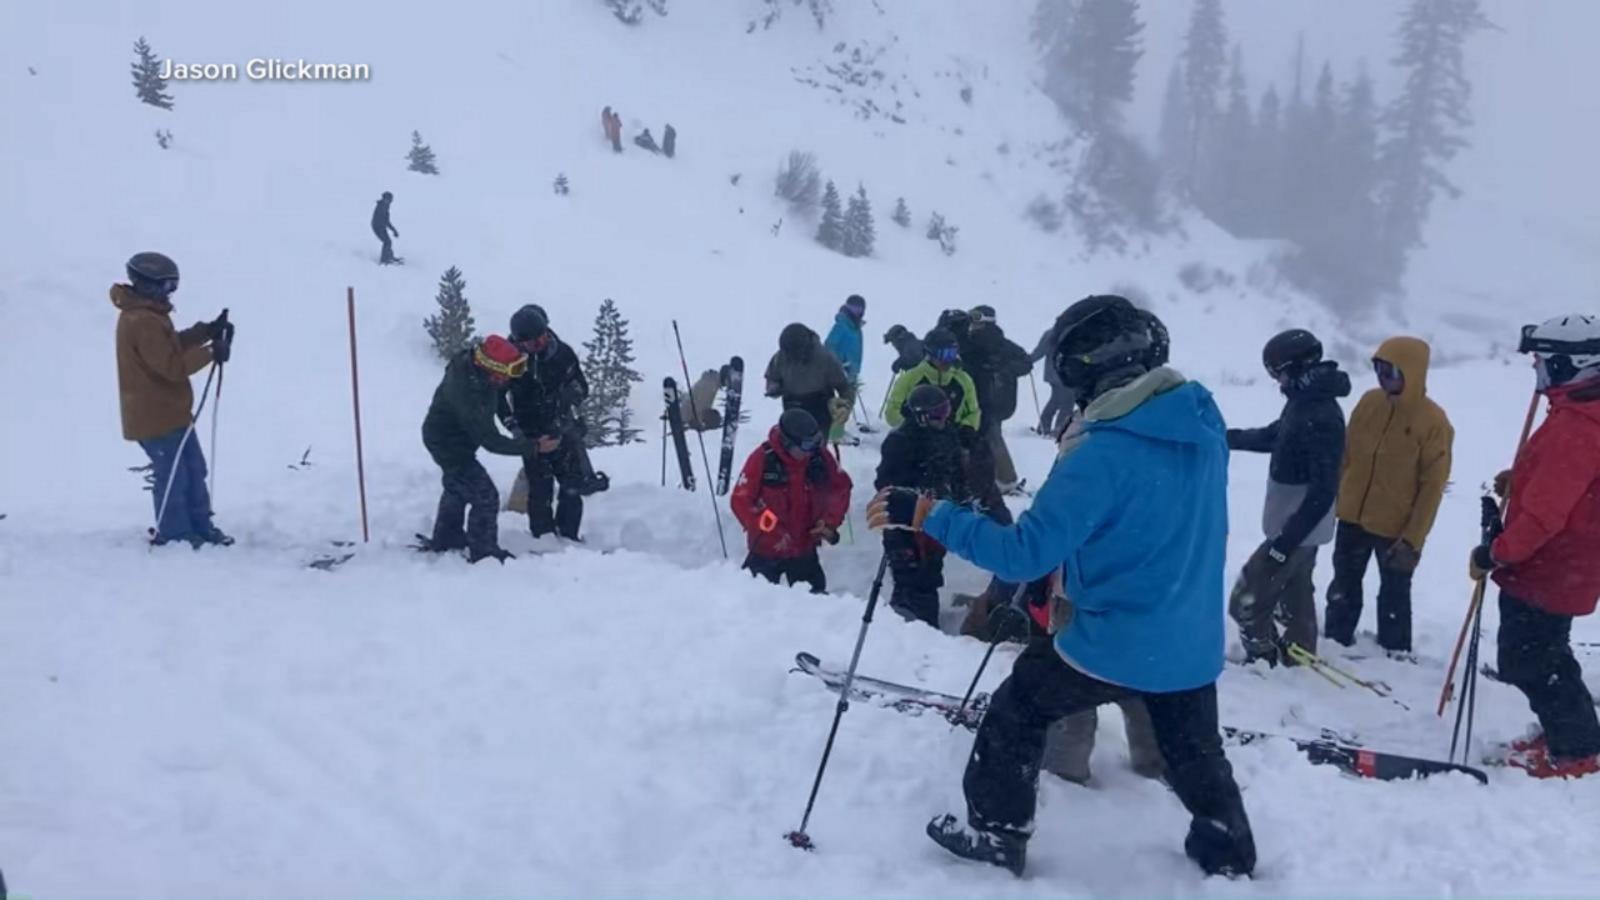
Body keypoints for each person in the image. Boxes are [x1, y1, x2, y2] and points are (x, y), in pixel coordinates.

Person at [867, 294, 1254, 879]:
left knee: (1017, 710)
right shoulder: (1201, 425)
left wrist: (928, 514)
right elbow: (1148, 523)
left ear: (1086, 367)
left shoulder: (1102, 455)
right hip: (1189, 638)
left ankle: (996, 832)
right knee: (1196, 749)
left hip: (1115, 638)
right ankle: (1229, 849)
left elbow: (1022, 555)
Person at [1471, 313, 1600, 779]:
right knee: (1547, 654)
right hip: (1565, 564)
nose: (1537, 372)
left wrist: (1498, 553)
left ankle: (1576, 750)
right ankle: (1570, 734)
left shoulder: (1576, 427)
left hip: (1549, 566)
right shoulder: (1579, 414)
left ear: (1572, 365)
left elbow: (1546, 515)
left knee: (1529, 661)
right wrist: (1522, 480)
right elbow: (1568, 486)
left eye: (1544, 362)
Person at [1226, 329, 1350, 666]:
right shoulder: (1304, 402)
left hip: (1297, 528)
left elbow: (1325, 488)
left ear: (1296, 369)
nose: (1276, 381)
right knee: (1296, 597)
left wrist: (1286, 543)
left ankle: (1264, 659)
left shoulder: (1321, 414)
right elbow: (1276, 436)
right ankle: (1299, 657)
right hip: (1296, 525)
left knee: (1246, 600)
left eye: (1277, 372)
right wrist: (1226, 438)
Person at [1325, 337, 1453, 654]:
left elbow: (1432, 488)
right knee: (1343, 586)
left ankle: (1395, 655)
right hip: (1353, 515)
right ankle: (1335, 643)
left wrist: (1413, 539)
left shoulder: (1433, 422)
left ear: (1413, 373)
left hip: (1396, 528)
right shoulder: (1369, 403)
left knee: (1394, 595)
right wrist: (1334, 498)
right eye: (1380, 370)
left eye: (1392, 372)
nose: (1384, 379)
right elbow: (1346, 454)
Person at [112, 251, 234, 548]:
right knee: (174, 476)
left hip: (173, 413)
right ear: (147, 285)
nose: (170, 294)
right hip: (154, 417)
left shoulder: (150, 316)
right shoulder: (140, 320)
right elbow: (171, 366)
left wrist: (205, 332)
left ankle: (200, 525)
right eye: (166, 287)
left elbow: (172, 346)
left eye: (173, 286)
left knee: (194, 469)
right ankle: (176, 533)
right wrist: (210, 352)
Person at [421, 335, 539, 563]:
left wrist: (512, 423)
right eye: (511, 370)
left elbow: (498, 399)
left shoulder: (481, 375)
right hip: (447, 443)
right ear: (493, 368)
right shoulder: (468, 393)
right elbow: (490, 441)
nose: (513, 376)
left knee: (457, 486)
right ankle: (484, 551)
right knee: (485, 496)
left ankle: (447, 536)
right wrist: (530, 447)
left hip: (457, 439)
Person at [502, 305, 603, 541]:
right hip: (531, 433)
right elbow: (499, 399)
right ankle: (543, 538)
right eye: (534, 342)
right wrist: (515, 429)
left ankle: (569, 537)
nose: (542, 344)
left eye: (544, 337)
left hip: (562, 426)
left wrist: (570, 396)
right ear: (519, 342)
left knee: (572, 486)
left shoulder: (562, 353)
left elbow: (582, 385)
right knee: (539, 489)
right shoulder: (510, 361)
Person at [875, 384, 969, 627]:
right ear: (921, 416)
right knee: (908, 575)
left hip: (935, 516)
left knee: (930, 573)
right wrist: (911, 495)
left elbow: (957, 471)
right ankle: (909, 626)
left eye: (946, 411)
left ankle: (923, 626)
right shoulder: (900, 441)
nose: (943, 418)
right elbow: (885, 483)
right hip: (904, 522)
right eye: (938, 414)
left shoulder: (947, 434)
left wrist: (961, 497)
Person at [729, 409, 852, 593]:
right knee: (753, 599)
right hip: (766, 549)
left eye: (815, 443)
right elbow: (741, 500)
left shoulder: (820, 458)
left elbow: (841, 489)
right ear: (787, 443)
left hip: (804, 547)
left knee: (816, 598)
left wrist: (828, 521)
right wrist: (768, 529)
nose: (809, 451)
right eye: (804, 446)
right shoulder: (763, 459)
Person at [965, 305, 1033, 493]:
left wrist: (1001, 368)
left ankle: (1006, 480)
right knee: (983, 437)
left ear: (987, 321)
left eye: (976, 319)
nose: (972, 324)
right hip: (979, 396)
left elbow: (1026, 364)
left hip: (994, 398)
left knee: (991, 435)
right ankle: (990, 477)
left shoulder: (1000, 344)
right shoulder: (969, 340)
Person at [764, 323, 854, 444]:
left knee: (815, 453)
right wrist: (774, 387)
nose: (789, 357)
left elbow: (845, 387)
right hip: (792, 410)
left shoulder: (824, 359)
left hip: (819, 411)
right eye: (786, 353)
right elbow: (772, 377)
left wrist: (845, 407)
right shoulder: (781, 357)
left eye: (793, 354)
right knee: (791, 451)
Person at [824, 294, 867, 441]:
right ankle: (834, 434)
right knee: (842, 403)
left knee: (849, 400)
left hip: (851, 371)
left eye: (860, 309)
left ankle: (838, 431)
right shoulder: (841, 325)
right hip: (840, 370)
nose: (857, 312)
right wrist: (838, 365)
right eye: (853, 308)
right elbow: (829, 345)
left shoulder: (856, 328)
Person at [1030, 323, 1071, 435]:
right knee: (1065, 401)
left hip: (1055, 374)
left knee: (1057, 400)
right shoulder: (1068, 333)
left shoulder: (1051, 333)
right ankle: (1059, 428)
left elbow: (1040, 351)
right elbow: (1040, 351)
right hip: (1064, 375)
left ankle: (1046, 427)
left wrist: (1028, 360)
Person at [372, 191, 399, 264]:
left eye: (390, 200)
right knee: (387, 242)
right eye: (388, 199)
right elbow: (382, 221)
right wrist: (393, 230)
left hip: (381, 226)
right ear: (384, 199)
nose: (390, 201)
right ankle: (384, 259)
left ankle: (389, 256)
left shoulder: (386, 206)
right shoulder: (381, 207)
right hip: (377, 227)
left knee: (388, 242)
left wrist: (394, 230)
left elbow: (386, 220)